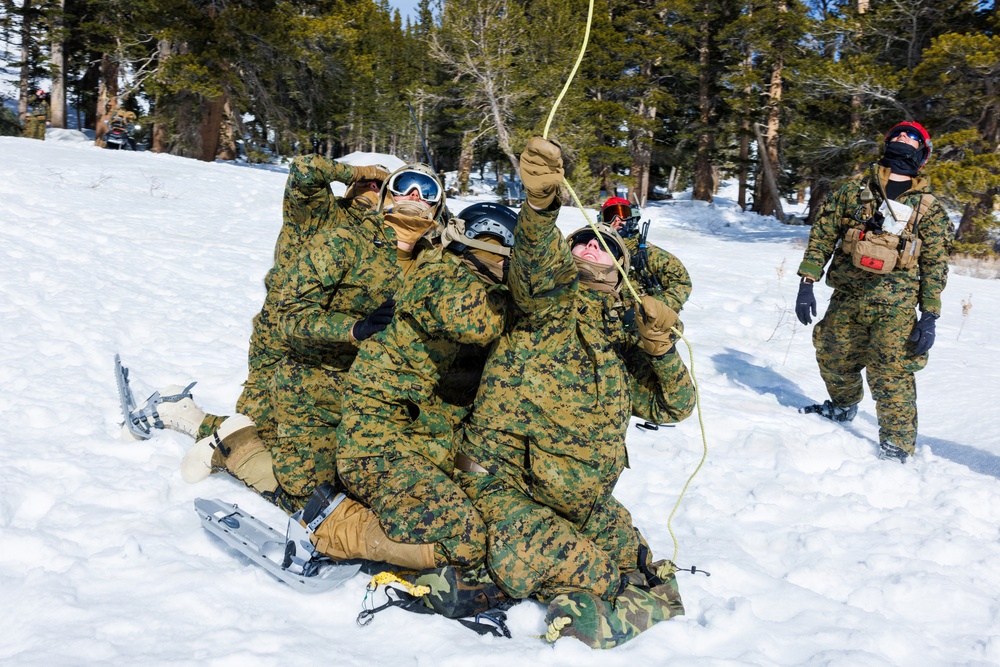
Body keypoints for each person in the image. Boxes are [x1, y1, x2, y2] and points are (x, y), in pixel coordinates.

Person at [454, 137, 697, 648]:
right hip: (504, 487)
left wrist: (659, 350)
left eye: (605, 247)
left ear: (622, 272)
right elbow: (535, 270)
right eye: (582, 241)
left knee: (646, 569)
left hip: (582, 500)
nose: (591, 247)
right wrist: (541, 207)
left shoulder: (623, 337)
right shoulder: (546, 305)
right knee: (597, 576)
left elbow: (673, 405)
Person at [122, 155, 389, 510]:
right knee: (260, 428)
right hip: (282, 337)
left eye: (382, 186)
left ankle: (185, 412)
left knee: (272, 429)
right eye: (369, 183)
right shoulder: (322, 213)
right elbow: (306, 169)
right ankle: (198, 427)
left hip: (323, 346)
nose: (373, 190)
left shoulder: (386, 235)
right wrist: (362, 171)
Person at [302, 202, 520, 610]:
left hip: (420, 437)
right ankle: (342, 529)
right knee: (465, 537)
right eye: (494, 249)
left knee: (502, 519)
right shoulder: (439, 273)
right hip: (374, 443)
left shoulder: (476, 284)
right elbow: (480, 323)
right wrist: (537, 298)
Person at [794, 121, 953, 463]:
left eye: (912, 137)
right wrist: (806, 282)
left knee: (891, 373)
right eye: (898, 134)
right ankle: (844, 406)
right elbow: (822, 236)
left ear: (922, 154)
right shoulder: (853, 192)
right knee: (832, 356)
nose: (903, 138)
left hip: (895, 307)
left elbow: (936, 264)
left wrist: (929, 315)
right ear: (886, 144)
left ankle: (897, 446)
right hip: (848, 297)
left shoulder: (930, 208)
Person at [599, 196, 692, 315]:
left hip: (644, 324)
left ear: (632, 217)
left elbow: (682, 283)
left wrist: (650, 308)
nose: (617, 220)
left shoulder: (651, 255)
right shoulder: (593, 251)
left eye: (623, 214)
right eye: (610, 215)